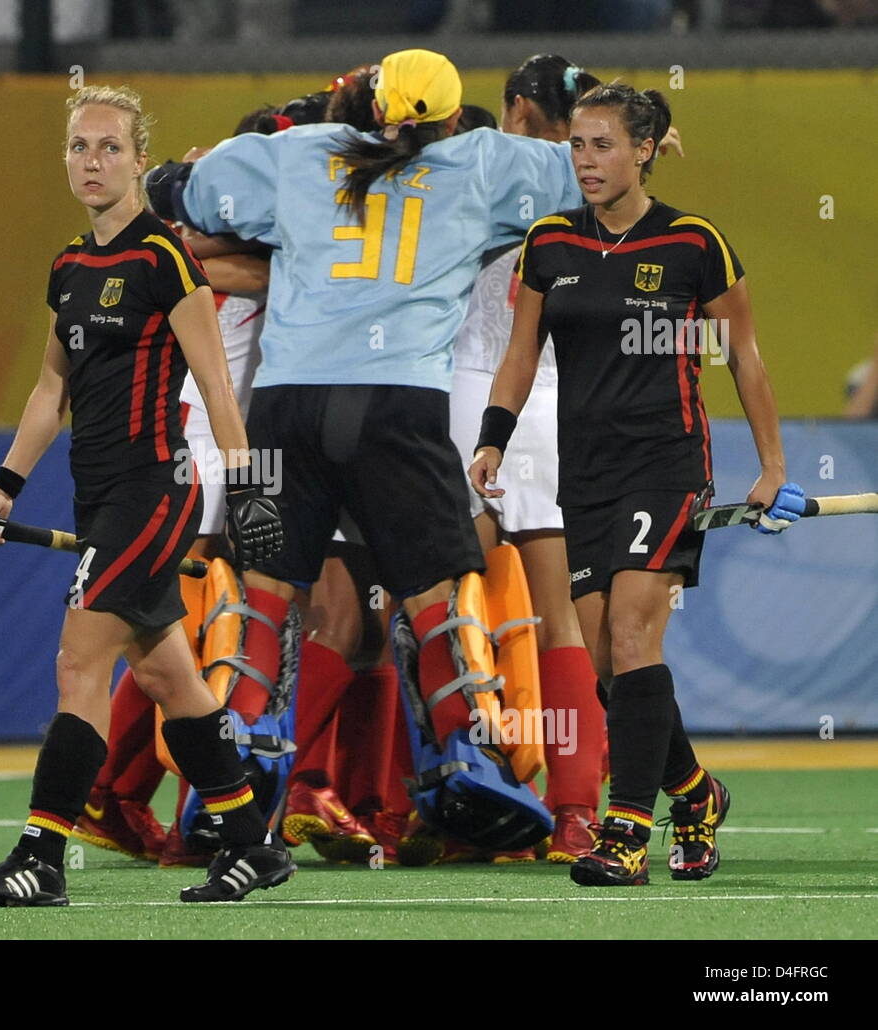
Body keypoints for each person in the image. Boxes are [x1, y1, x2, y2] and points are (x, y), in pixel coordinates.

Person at [145, 48, 592, 857]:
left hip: (289, 405)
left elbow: (179, 191)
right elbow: (591, 174)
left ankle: (234, 759)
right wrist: (639, 138)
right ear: (455, 117)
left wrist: (180, 176)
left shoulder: (301, 153)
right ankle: (467, 748)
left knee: (268, 595)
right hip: (401, 407)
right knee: (431, 592)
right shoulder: (481, 162)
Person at [0, 84, 292, 907]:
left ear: (143, 159)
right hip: (94, 492)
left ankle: (41, 856)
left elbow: (217, 388)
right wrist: (4, 487)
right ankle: (253, 843)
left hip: (155, 490)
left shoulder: (165, 258)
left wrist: (250, 500)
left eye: (110, 147)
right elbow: (47, 393)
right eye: (79, 147)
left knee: (79, 662)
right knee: (170, 683)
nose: (93, 161)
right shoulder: (69, 265)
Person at [469, 82, 804, 886]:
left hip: (668, 461)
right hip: (584, 472)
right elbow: (520, 356)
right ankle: (695, 792)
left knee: (630, 635)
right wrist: (492, 441)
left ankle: (625, 832)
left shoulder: (695, 242)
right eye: (578, 147)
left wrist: (773, 466)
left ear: (646, 149)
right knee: (607, 667)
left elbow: (745, 358)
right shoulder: (549, 242)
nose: (587, 162)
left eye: (604, 145)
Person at [448, 54, 608, 863]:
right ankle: (576, 808)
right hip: (548, 400)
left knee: (441, 598)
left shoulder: (470, 166)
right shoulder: (596, 182)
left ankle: (458, 792)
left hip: (463, 392)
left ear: (514, 109)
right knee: (561, 613)